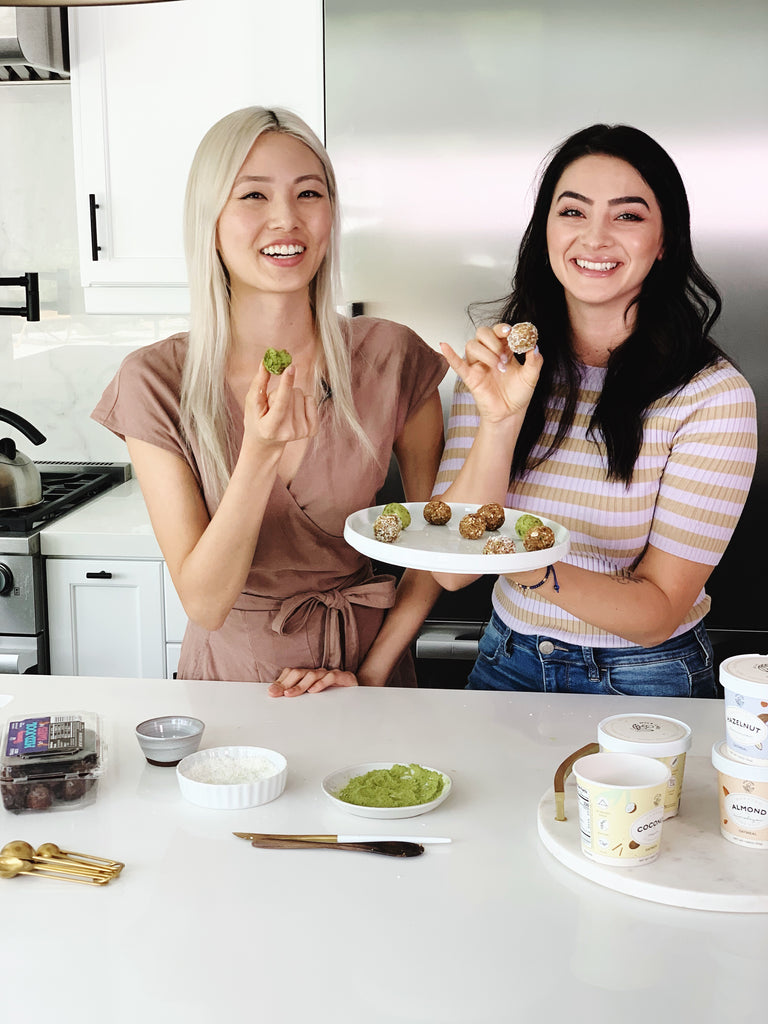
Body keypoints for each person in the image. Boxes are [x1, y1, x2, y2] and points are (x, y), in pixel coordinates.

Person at [92, 106, 446, 695]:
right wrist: (257, 454)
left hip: (367, 672)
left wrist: (372, 671)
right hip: (233, 680)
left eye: (309, 193)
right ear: (210, 219)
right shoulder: (155, 379)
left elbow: (438, 542)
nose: (287, 219)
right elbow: (204, 601)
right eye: (253, 196)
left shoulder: (391, 357)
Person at [432, 124, 757, 697]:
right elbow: (452, 568)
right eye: (573, 212)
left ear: (664, 241)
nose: (596, 237)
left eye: (628, 216)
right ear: (546, 231)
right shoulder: (498, 368)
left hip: (645, 673)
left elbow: (657, 610)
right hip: (505, 657)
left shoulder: (713, 397)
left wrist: (521, 562)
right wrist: (500, 423)